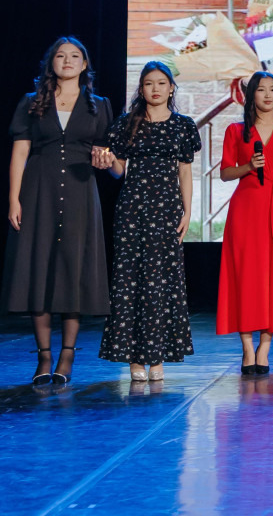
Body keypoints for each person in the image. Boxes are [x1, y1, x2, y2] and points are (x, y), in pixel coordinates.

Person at [3, 37, 113, 385]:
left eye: (75, 56)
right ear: (51, 63)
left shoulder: (99, 105)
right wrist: (14, 199)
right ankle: (44, 357)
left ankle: (67, 356)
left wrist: (106, 159)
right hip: (39, 191)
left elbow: (108, 155)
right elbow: (20, 152)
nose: (67, 60)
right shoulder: (32, 102)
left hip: (81, 193)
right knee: (39, 268)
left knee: (73, 268)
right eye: (61, 56)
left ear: (84, 64)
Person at [98, 61, 201, 381]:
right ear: (141, 89)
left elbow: (185, 171)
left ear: (171, 88)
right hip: (132, 209)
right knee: (130, 281)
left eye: (161, 83)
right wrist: (108, 161)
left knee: (161, 282)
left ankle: (157, 358)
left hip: (167, 210)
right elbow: (118, 170)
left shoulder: (183, 125)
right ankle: (134, 360)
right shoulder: (126, 123)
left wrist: (187, 212)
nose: (155, 88)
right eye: (148, 83)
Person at [217, 72, 273, 375]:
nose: (267, 95)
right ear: (251, 95)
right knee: (246, 278)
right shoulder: (236, 130)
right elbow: (225, 173)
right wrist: (248, 166)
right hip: (246, 210)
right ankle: (247, 348)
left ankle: (264, 348)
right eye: (261, 90)